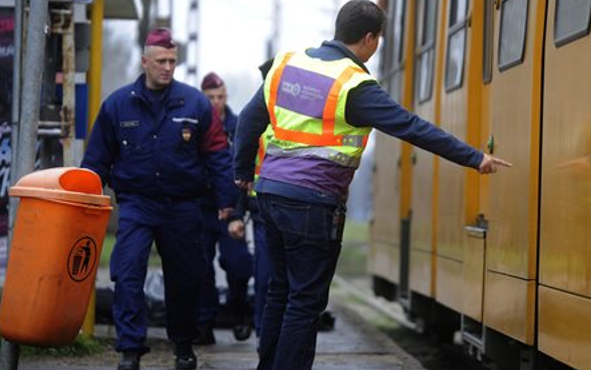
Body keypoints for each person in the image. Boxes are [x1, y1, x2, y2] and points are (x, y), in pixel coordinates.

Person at [231, 1, 513, 369]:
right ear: (370, 39)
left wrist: (243, 174)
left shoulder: (286, 64)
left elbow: (249, 121)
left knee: (279, 292)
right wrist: (474, 158)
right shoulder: (354, 85)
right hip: (313, 205)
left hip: (269, 194)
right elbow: (413, 127)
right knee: (304, 302)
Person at [82, 28, 235, 370]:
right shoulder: (118, 105)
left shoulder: (195, 104)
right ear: (145, 61)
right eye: (161, 61)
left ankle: (183, 344)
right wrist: (87, 200)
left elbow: (217, 154)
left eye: (172, 61)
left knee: (185, 278)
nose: (167, 67)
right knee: (127, 272)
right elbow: (96, 161)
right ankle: (130, 350)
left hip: (183, 207)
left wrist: (228, 201)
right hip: (137, 205)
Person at [195, 72, 254, 344]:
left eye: (221, 97)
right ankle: (204, 323)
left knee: (239, 263)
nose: (216, 103)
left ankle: (239, 309)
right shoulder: (193, 124)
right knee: (200, 268)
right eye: (211, 98)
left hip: (230, 209)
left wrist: (238, 214)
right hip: (201, 209)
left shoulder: (238, 126)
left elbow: (245, 173)